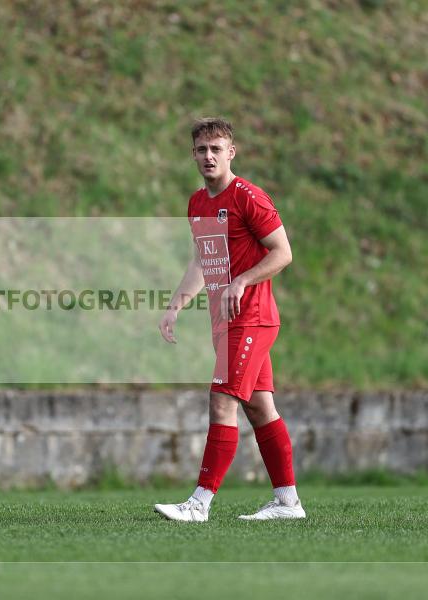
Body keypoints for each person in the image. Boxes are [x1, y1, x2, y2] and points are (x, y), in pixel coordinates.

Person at [154, 118, 305, 523]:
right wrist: (176, 304)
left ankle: (199, 503)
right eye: (202, 150)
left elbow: (283, 252)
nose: (209, 156)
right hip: (226, 320)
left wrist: (242, 281)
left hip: (251, 318)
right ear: (193, 155)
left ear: (231, 153)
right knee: (259, 409)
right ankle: (288, 503)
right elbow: (205, 259)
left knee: (222, 400)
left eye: (216, 149)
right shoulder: (197, 203)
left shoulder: (248, 197)